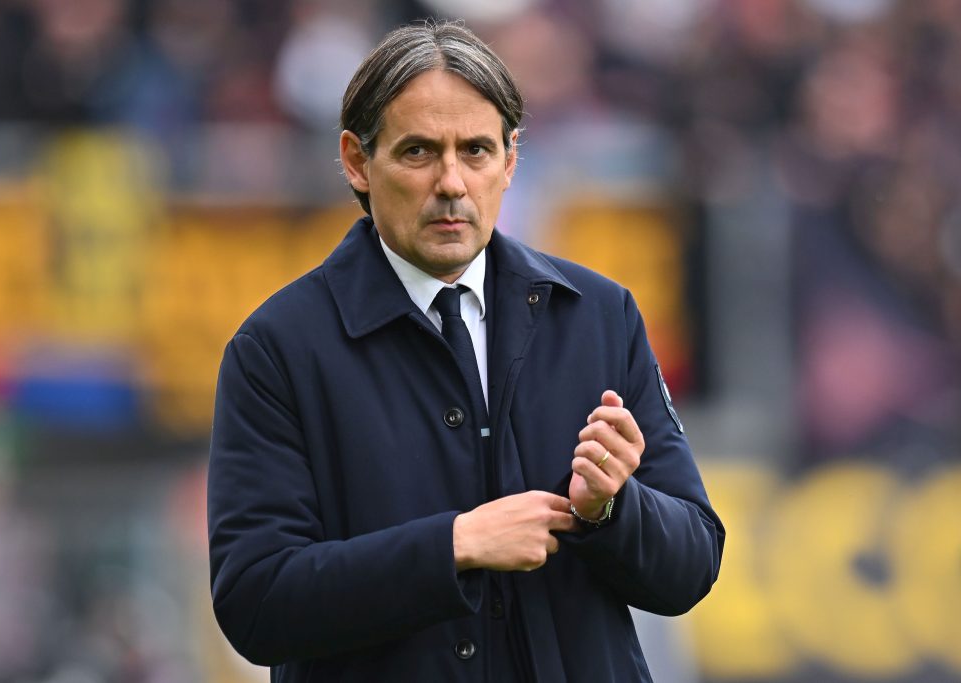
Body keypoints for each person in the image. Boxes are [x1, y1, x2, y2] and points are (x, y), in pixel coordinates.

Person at [208, 20, 724, 682]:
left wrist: (612, 510)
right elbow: (255, 602)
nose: (451, 182)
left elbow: (693, 564)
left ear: (510, 159)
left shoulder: (600, 315)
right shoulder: (276, 349)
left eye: (476, 150)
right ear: (357, 161)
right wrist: (454, 546)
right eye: (419, 152)